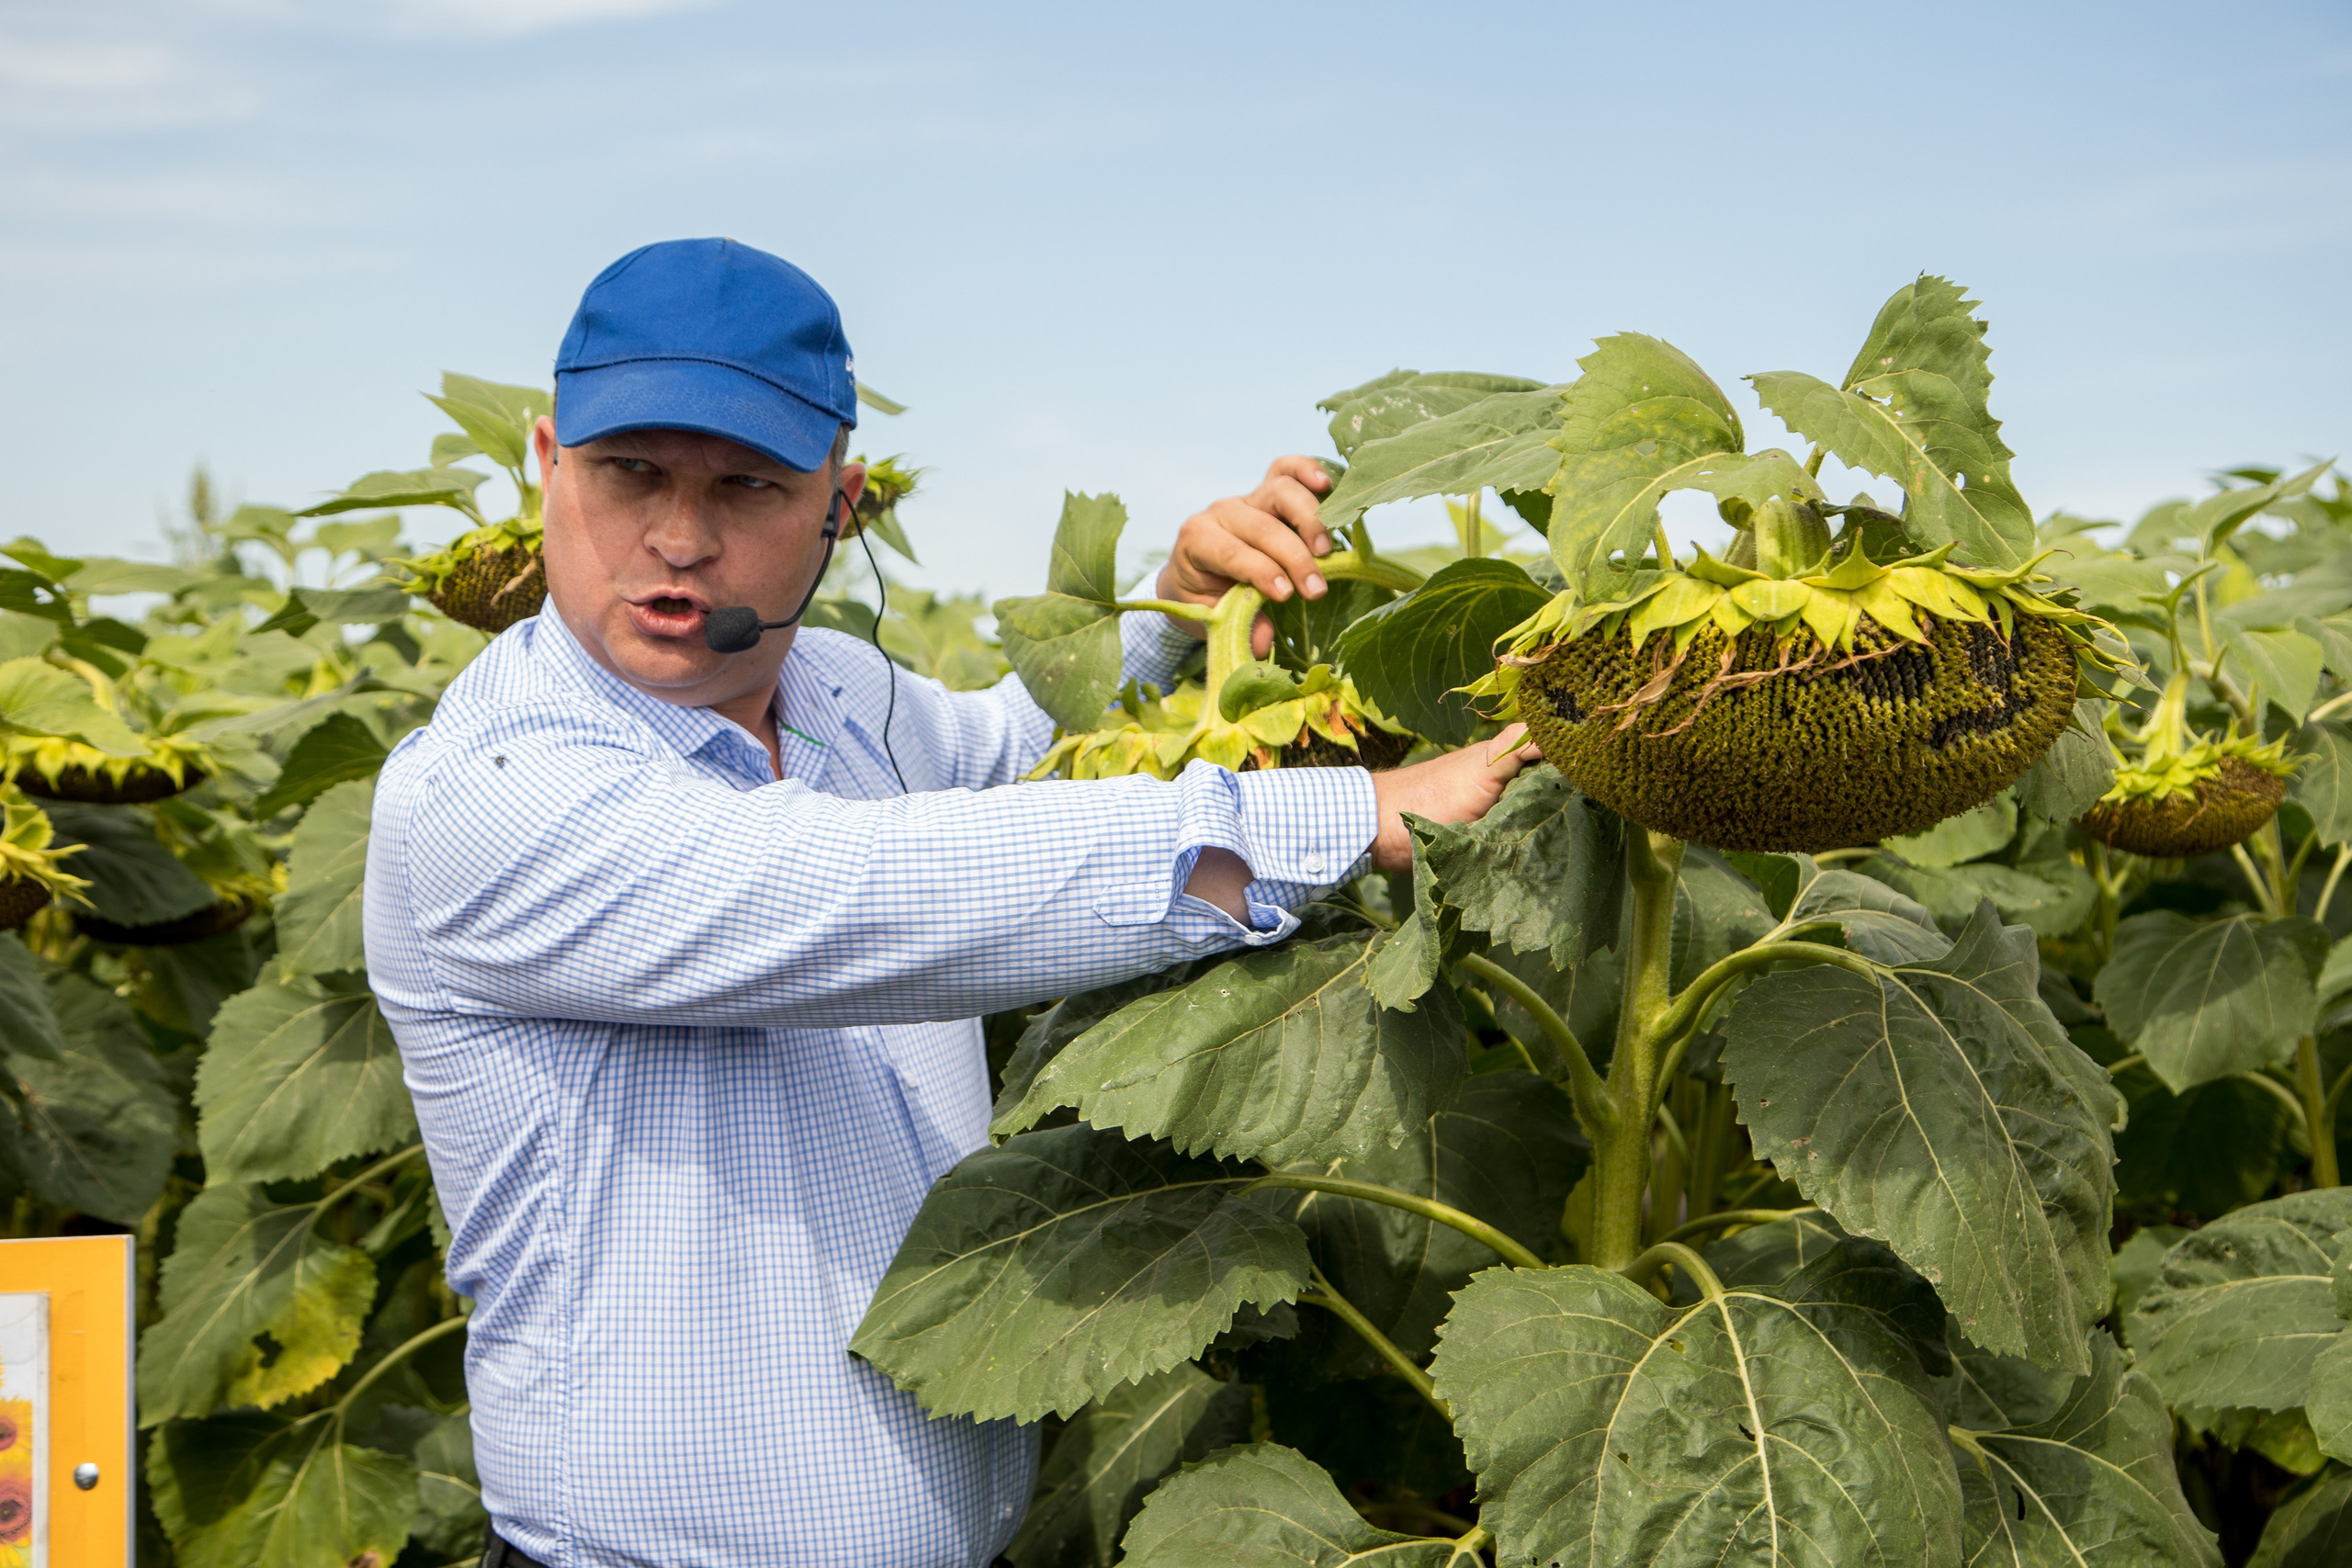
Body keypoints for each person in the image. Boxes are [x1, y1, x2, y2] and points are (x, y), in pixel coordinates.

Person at [363, 237, 1541, 1568]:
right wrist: (1348, 813)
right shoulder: (486, 795)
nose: (679, 540)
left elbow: (1019, 756)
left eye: (748, 486)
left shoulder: (843, 698)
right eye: (630, 472)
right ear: (548, 464)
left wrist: (1175, 618)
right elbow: (875, 891)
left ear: (840, 507)